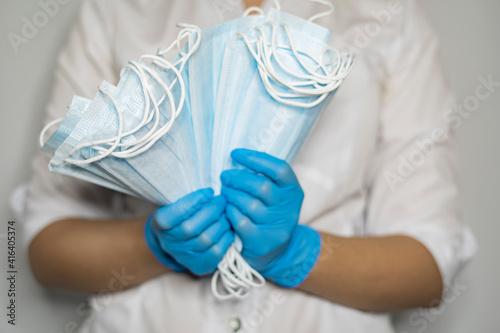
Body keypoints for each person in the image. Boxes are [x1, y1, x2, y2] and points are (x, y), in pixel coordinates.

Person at [25, 0, 475, 332]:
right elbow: (47, 247)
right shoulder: (116, 10)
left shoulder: (390, 19)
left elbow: (427, 269)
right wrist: (154, 247)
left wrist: (296, 253)